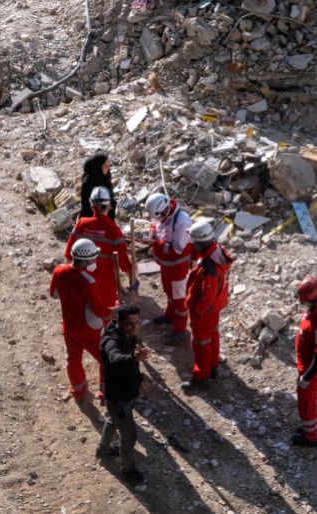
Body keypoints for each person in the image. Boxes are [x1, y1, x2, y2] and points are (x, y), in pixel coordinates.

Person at [49, 239, 114, 401]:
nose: (95, 260)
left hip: (69, 328)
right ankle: (105, 392)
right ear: (86, 260)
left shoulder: (58, 271)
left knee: (73, 360)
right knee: (104, 360)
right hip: (89, 330)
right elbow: (99, 310)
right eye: (93, 258)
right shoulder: (89, 282)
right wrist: (117, 309)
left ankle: (78, 392)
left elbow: (53, 294)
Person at [96, 303, 150, 488]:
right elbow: (115, 358)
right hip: (118, 397)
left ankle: (103, 449)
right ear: (118, 322)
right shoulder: (110, 340)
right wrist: (134, 358)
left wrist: (139, 378)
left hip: (126, 392)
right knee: (129, 437)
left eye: (137, 322)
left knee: (113, 420)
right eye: (130, 324)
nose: (135, 327)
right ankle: (127, 470)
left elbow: (131, 365)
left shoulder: (129, 335)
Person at [181, 220, 233, 390]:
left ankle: (201, 377)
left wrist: (197, 311)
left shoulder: (208, 266)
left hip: (204, 313)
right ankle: (213, 367)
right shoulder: (218, 252)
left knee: (201, 343)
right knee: (213, 337)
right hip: (214, 309)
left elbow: (207, 296)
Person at [65, 186, 134, 308]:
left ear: (91, 206)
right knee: (105, 317)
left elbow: (68, 255)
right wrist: (133, 281)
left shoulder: (81, 224)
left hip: (82, 281)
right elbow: (123, 263)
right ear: (109, 206)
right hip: (104, 286)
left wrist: (73, 278)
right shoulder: (113, 230)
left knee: (84, 314)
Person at [144, 193, 193, 345]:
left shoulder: (182, 221)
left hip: (177, 267)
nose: (157, 219)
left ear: (165, 210)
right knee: (168, 290)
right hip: (167, 265)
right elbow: (157, 225)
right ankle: (169, 316)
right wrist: (153, 231)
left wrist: (156, 243)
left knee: (179, 300)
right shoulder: (163, 214)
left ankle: (180, 330)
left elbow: (177, 250)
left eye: (158, 216)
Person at [292, 275, 317, 447]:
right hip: (307, 366)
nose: (303, 304)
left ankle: (311, 436)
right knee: (313, 397)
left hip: (311, 369)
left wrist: (306, 378)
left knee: (306, 403)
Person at [80, 152, 117, 220]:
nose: (108, 168)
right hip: (92, 216)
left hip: (107, 213)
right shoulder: (88, 182)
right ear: (98, 166)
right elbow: (86, 205)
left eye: (109, 166)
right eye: (105, 166)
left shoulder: (105, 176)